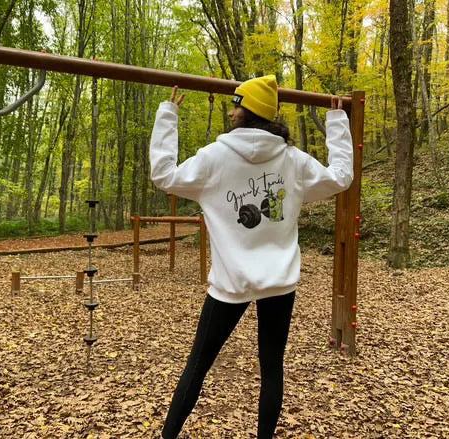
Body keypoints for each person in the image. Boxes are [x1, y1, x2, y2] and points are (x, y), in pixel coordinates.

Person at [149, 75, 353, 439]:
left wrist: (168, 115)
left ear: (249, 111)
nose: (231, 112)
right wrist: (337, 124)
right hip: (278, 282)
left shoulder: (214, 159)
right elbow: (340, 178)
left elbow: (164, 175)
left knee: (198, 365)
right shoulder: (292, 160)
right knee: (271, 368)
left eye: (236, 105)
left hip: (231, 282)